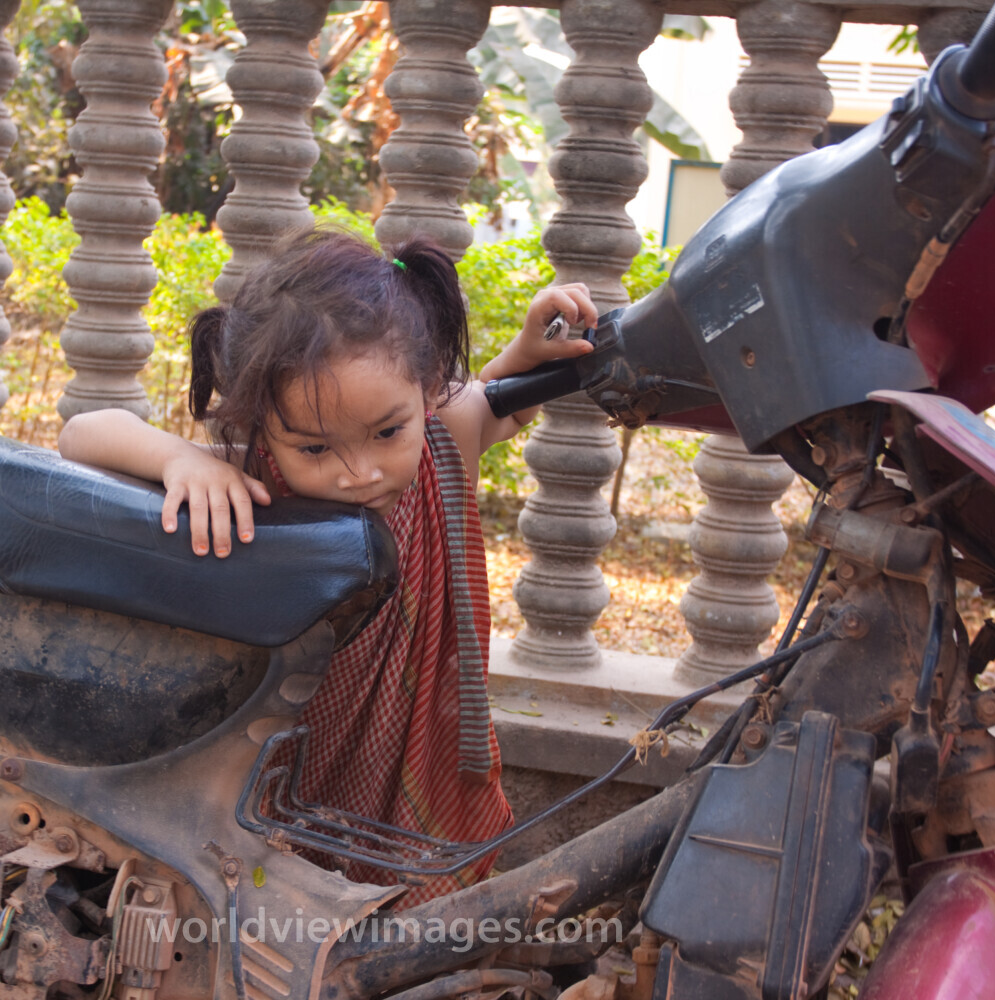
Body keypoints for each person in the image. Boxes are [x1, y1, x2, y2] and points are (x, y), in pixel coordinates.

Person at [58, 227, 596, 905]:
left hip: (409, 768)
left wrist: (526, 348)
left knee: (403, 928)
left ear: (427, 389)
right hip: (283, 784)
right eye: (315, 449)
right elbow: (81, 437)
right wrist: (179, 459)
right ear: (260, 425)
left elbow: (494, 402)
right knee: (288, 914)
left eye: (385, 433)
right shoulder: (250, 486)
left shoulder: (437, 443)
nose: (360, 472)